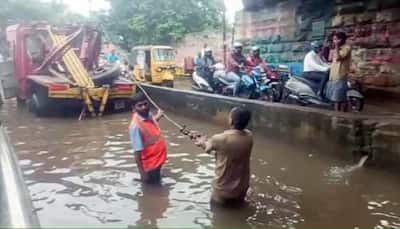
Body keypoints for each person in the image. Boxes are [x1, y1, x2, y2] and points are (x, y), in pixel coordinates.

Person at [192, 107, 253, 206]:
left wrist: (202, 142)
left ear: (231, 120)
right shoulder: (250, 136)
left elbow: (208, 149)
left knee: (216, 215)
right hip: (242, 189)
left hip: (223, 190)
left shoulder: (221, 138)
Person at [129, 92, 167, 184]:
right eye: (140, 105)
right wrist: (143, 173)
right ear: (134, 108)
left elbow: (151, 123)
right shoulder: (135, 127)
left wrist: (158, 116)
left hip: (157, 160)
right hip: (150, 165)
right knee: (156, 192)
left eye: (145, 104)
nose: (144, 107)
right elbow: (137, 153)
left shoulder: (147, 114)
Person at [326, 32, 352, 112]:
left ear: (341, 39)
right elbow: (329, 59)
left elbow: (338, 58)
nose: (334, 41)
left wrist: (336, 46)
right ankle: (338, 116)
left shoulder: (347, 48)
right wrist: (332, 49)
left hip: (340, 76)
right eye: (333, 39)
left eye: (336, 39)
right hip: (333, 76)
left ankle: (338, 117)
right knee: (335, 99)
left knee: (339, 99)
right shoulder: (336, 48)